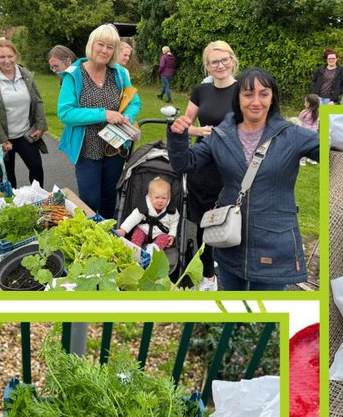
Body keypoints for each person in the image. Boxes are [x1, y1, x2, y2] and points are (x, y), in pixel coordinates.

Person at [167, 67, 319, 292]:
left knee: (268, 316)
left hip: (274, 244)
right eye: (248, 94)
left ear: (272, 97)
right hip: (230, 243)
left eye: (263, 94)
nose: (256, 101)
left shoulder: (292, 136)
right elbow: (185, 163)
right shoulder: (222, 135)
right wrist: (178, 137)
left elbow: (332, 150)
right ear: (237, 98)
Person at [57, 23, 141, 218]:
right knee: (89, 200)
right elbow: (65, 113)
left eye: (110, 47)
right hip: (87, 149)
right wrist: (104, 114)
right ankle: (88, 236)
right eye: (100, 44)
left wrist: (127, 117)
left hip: (115, 147)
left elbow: (134, 102)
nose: (104, 50)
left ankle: (107, 235)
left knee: (110, 197)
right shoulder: (74, 75)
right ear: (91, 44)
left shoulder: (118, 73)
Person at [183, 40, 240, 292]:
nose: (220, 65)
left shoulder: (244, 91)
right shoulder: (201, 92)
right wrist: (200, 130)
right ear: (207, 65)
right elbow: (184, 125)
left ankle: (234, 275)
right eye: (214, 61)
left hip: (234, 168)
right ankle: (208, 277)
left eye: (224, 59)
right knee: (205, 223)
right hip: (203, 167)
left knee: (234, 223)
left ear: (232, 59)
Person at [0, 40, 48, 188]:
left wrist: (40, 126)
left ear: (16, 55)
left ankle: (38, 200)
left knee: (36, 169)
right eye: (2, 57)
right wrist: (1, 138)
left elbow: (37, 101)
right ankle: (13, 204)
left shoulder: (25, 74)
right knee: (7, 176)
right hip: (2, 136)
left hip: (26, 134)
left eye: (10, 56)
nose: (7, 61)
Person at [116, 175, 178, 251]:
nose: (160, 201)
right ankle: (135, 249)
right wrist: (123, 230)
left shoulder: (171, 210)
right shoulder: (144, 206)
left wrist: (172, 235)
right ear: (150, 196)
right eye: (157, 197)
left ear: (169, 197)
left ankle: (153, 250)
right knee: (137, 234)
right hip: (144, 229)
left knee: (165, 238)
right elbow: (133, 218)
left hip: (160, 233)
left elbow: (175, 223)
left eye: (164, 198)